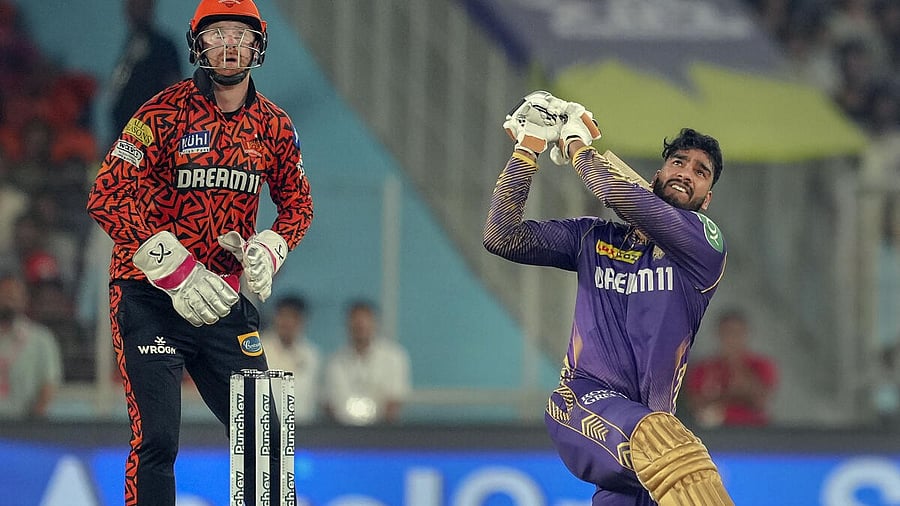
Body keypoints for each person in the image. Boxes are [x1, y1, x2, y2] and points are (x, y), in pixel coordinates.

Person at [85, 0, 313, 504]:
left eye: (240, 34)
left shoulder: (275, 126)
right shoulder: (159, 112)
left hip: (222, 302)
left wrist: (272, 247)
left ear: (259, 45)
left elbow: (299, 204)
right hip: (147, 299)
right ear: (197, 43)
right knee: (158, 440)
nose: (229, 45)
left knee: (269, 439)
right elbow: (106, 194)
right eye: (217, 33)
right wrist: (175, 269)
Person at [484, 91, 733, 505]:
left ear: (705, 201)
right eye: (678, 162)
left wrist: (576, 144)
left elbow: (623, 198)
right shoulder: (592, 237)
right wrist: (529, 145)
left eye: (701, 171)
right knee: (672, 448)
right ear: (656, 175)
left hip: (648, 453)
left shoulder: (703, 247)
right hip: (581, 403)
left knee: (665, 447)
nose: (687, 172)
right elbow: (503, 237)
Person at [685, 309, 779, 428]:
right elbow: (696, 406)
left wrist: (736, 366)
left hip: (755, 433)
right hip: (717, 435)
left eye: (737, 333)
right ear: (718, 335)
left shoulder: (761, 365)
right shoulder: (702, 369)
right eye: (727, 333)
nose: (732, 339)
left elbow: (761, 402)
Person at [323, 299, 411, 425]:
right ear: (347, 324)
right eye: (355, 320)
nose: (360, 325)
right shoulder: (334, 361)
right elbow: (331, 404)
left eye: (365, 320)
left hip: (383, 433)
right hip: (343, 434)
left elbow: (395, 400)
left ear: (375, 323)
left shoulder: (394, 357)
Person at [108, 0, 183, 138]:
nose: (132, 11)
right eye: (130, 6)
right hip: (124, 134)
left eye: (139, 5)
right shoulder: (129, 45)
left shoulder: (164, 46)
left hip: (153, 134)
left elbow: (175, 90)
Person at [0, 273, 63, 419]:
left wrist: (33, 425)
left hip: (23, 426)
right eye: (4, 296)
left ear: (24, 301)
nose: (8, 303)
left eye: (13, 298)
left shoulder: (41, 339)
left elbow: (49, 384)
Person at [262, 294, 320, 423]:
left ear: (302, 321)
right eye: (283, 316)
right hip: (266, 429)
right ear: (275, 317)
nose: (287, 323)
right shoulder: (260, 350)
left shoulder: (311, 355)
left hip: (302, 429)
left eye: (293, 317)